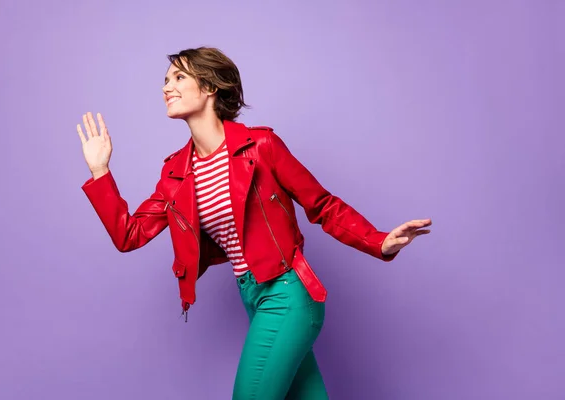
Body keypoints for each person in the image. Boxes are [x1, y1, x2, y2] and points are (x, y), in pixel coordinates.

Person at [77, 47, 432, 400]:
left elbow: (321, 204)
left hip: (288, 293)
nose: (166, 87)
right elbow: (129, 235)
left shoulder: (261, 146)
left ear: (210, 86)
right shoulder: (177, 173)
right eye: (166, 80)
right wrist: (100, 172)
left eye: (179, 77)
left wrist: (378, 241)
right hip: (252, 295)